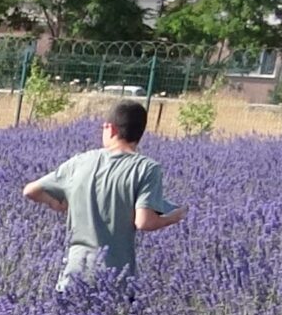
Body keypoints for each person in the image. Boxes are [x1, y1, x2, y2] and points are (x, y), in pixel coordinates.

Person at [22, 100, 184, 289]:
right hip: (115, 279)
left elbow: (31, 191)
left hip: (74, 276)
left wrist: (56, 203)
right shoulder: (146, 168)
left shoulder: (80, 162)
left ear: (111, 128)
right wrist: (173, 217)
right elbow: (144, 222)